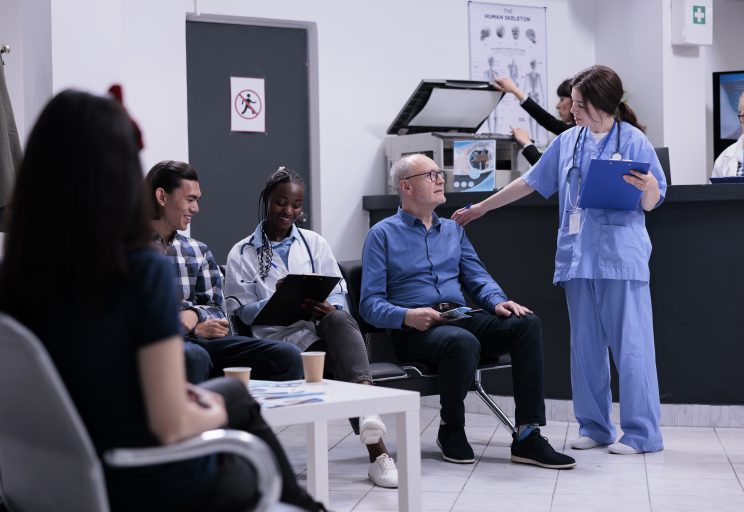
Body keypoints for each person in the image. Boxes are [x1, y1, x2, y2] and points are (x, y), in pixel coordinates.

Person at [0, 89, 322, 511]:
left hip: (53, 484)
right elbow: (171, 426)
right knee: (237, 408)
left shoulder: (15, 276)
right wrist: (216, 409)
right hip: (141, 479)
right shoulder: (137, 270)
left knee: (229, 388)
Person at [452, 65, 667, 455]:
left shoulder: (635, 141)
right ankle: (595, 427)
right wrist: (482, 208)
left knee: (632, 349)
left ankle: (641, 434)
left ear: (603, 104)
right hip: (577, 259)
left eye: (580, 104)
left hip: (621, 260)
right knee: (585, 349)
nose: (573, 110)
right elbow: (529, 182)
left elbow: (652, 203)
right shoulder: (569, 141)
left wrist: (650, 185)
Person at [359, 154, 576, 470]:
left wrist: (498, 302)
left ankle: (528, 434)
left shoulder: (453, 231)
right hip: (415, 331)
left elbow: (477, 277)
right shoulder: (382, 234)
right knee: (462, 341)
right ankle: (451, 428)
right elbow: (369, 304)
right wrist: (407, 316)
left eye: (439, 173)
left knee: (525, 323)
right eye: (430, 175)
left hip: (458, 317)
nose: (440, 179)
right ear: (406, 187)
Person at [224, 167, 399, 488]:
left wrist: (329, 307)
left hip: (317, 333)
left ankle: (371, 423)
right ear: (266, 200)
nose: (289, 211)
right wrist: (276, 300)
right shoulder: (242, 252)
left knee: (339, 318)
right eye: (281, 202)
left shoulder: (314, 243)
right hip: (276, 344)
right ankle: (376, 444)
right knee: (345, 363)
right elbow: (242, 313)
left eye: (296, 204)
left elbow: (339, 293)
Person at [146, 160, 303, 385]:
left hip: (202, 342)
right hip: (156, 345)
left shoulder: (198, 251)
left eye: (197, 200)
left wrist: (194, 316)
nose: (196, 208)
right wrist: (188, 327)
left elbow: (218, 311)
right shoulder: (127, 250)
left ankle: (243, 407)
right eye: (189, 199)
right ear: (162, 197)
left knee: (288, 356)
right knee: (194, 357)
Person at [494, 76, 574, 165]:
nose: (557, 106)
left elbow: (546, 168)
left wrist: (526, 142)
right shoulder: (574, 131)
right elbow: (548, 120)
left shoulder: (580, 134)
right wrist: (515, 91)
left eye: (562, 99)